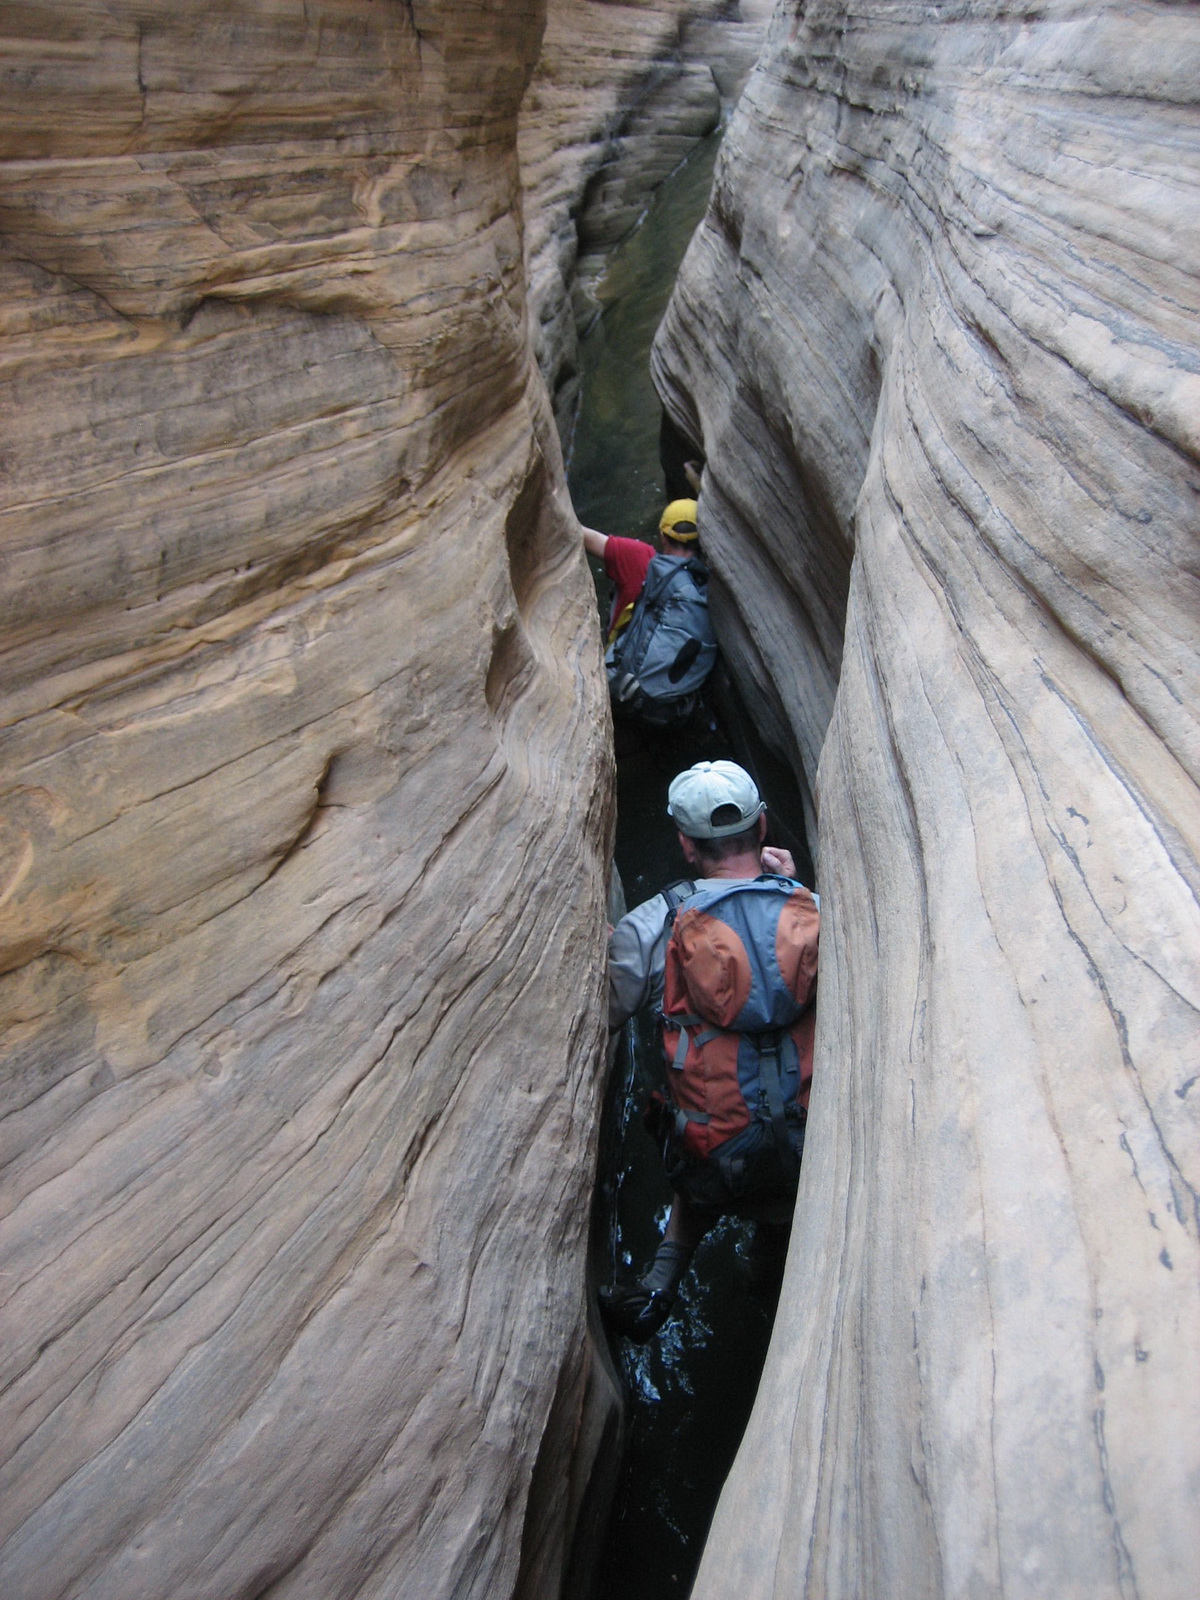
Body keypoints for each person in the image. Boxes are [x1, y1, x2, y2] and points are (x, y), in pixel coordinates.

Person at [601, 760, 819, 1341]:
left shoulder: (651, 928)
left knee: (698, 1173)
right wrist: (791, 884)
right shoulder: (813, 911)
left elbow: (607, 1013)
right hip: (810, 1146)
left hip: (714, 1153)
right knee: (782, 1215)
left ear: (684, 844)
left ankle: (656, 1288)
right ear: (764, 828)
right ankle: (769, 1292)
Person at [581, 498, 700, 644]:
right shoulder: (704, 583)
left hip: (616, 663)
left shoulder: (640, 557)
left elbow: (580, 535)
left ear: (662, 537)